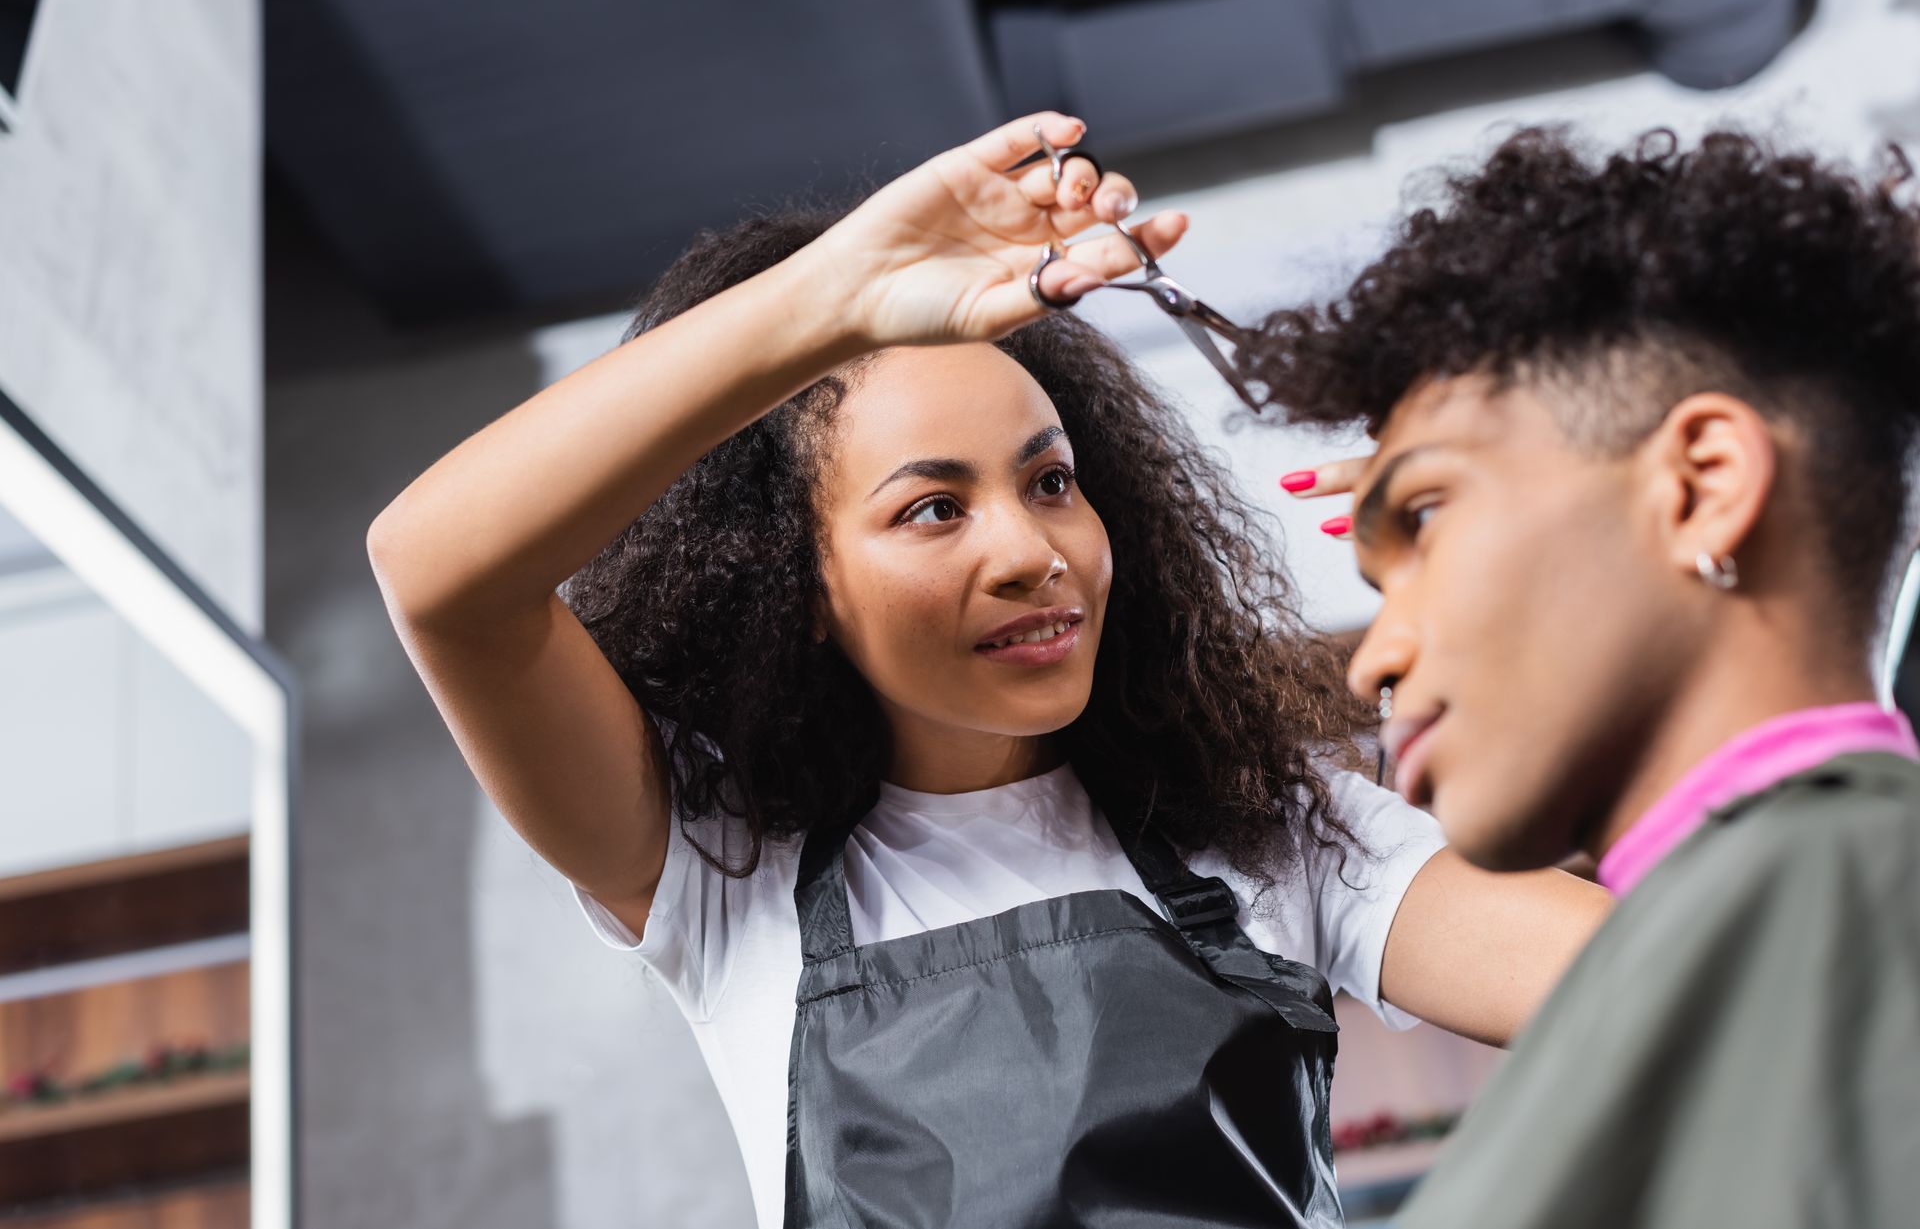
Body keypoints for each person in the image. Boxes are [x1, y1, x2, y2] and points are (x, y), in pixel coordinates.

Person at [368, 113, 1606, 1229]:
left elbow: (1673, 973)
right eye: (932, 510)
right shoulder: (714, 862)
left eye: (1051, 483)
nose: (1032, 552)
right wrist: (833, 300)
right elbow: (438, 574)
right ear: (793, 588)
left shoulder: (1272, 829)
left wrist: (1597, 560)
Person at [1250, 124, 1920, 1227]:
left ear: (1702, 484)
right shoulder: (1746, 942)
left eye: (1425, 519)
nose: (1378, 654)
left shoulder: (1825, 902)